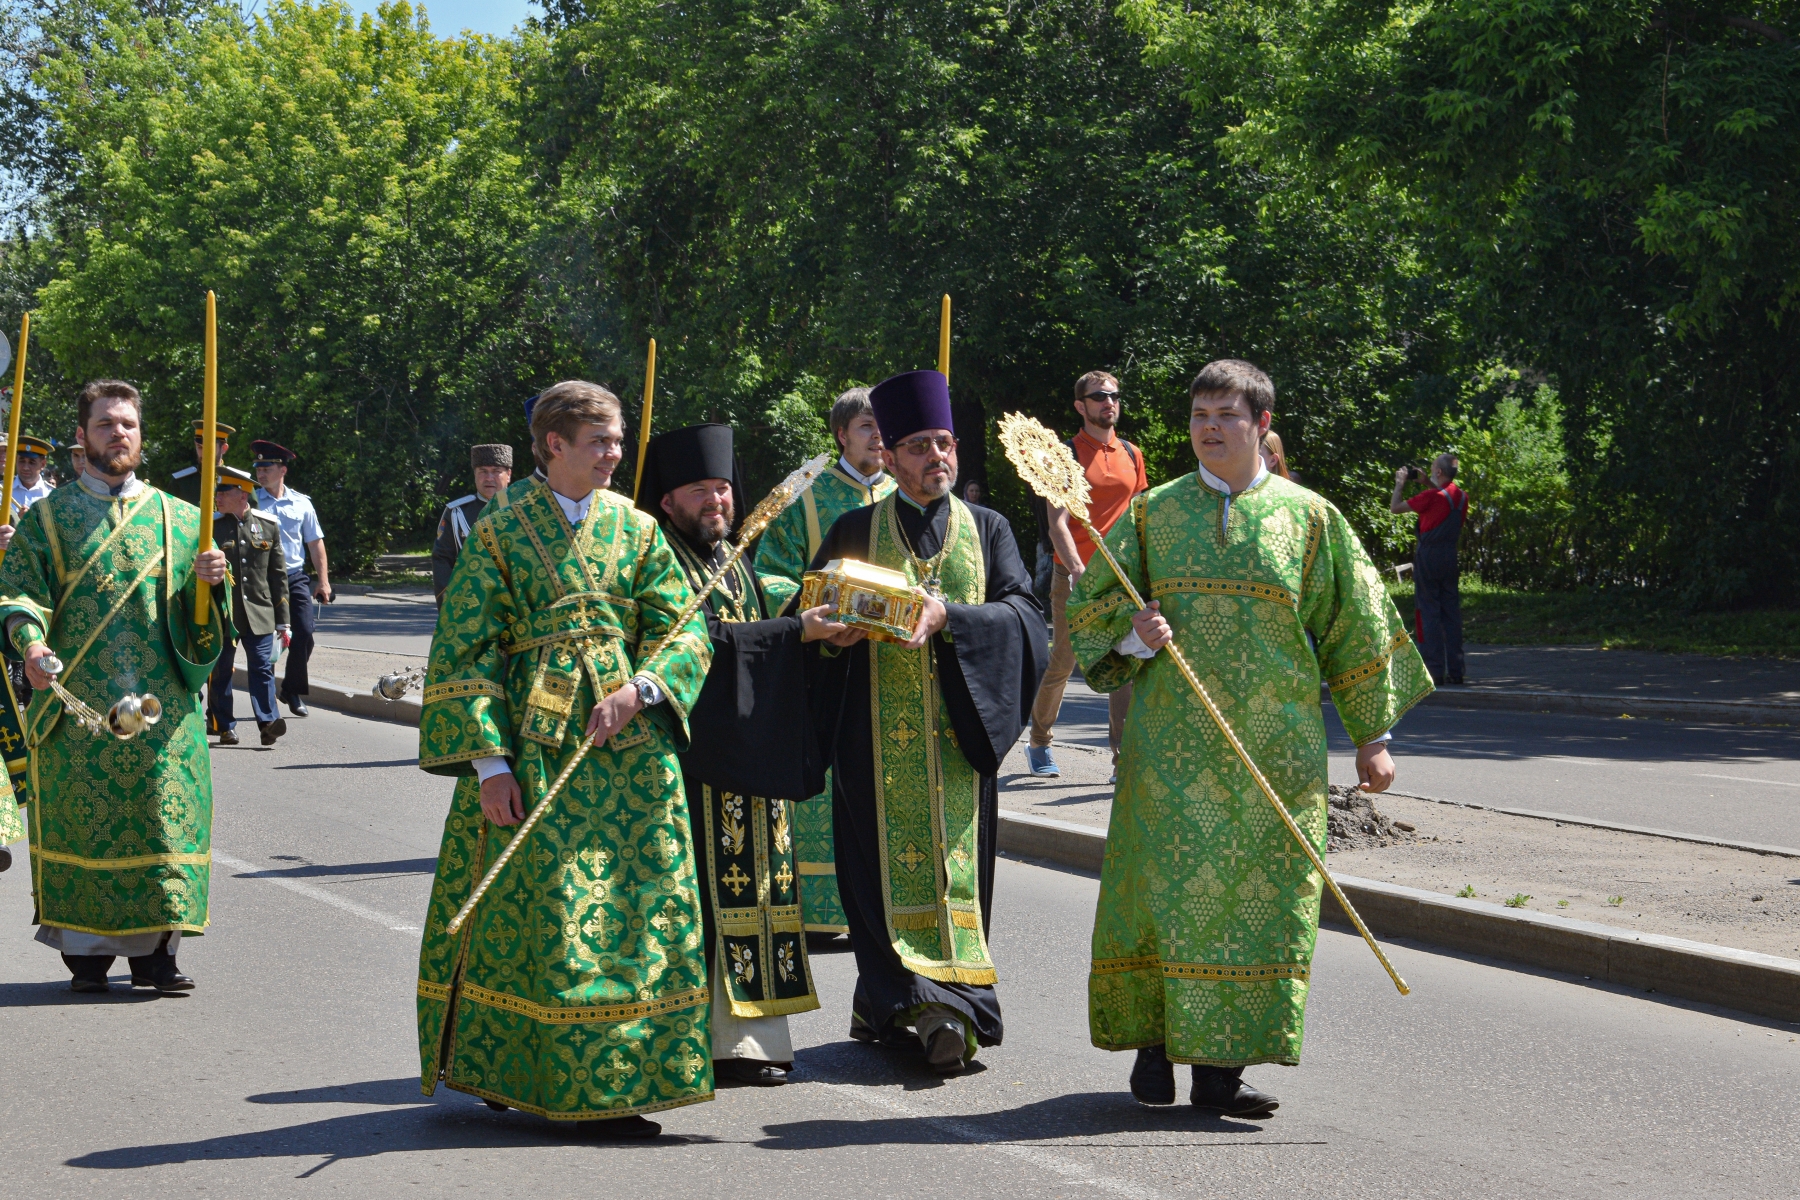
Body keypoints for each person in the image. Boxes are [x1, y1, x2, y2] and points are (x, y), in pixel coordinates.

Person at [1068, 358, 1431, 1116]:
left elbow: (1356, 626)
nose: (1209, 428)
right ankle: (1157, 1047)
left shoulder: (1311, 519)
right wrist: (1135, 638)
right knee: (1164, 898)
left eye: (1226, 415)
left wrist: (1374, 737)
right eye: (1200, 414)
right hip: (1170, 752)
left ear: (1263, 425)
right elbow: (1091, 616)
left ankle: (1221, 1075)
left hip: (1277, 754)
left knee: (1258, 906)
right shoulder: (1151, 514)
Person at [414, 380, 715, 1137]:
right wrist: (491, 766)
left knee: (638, 914)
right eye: (601, 442)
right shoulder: (499, 529)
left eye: (617, 441)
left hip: (634, 755)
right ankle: (522, 1072)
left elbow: (684, 630)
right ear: (555, 445)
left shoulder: (638, 530)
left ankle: (629, 1077)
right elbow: (464, 650)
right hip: (539, 751)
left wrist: (643, 688)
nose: (616, 455)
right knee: (548, 917)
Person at [806, 369, 1048, 1074]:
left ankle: (946, 1007)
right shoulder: (856, 527)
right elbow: (813, 614)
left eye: (944, 443)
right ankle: (896, 1001)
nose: (935, 457)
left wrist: (952, 619)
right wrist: (827, 632)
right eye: (917, 446)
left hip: (960, 736)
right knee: (877, 874)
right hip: (870, 736)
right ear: (888, 454)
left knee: (951, 874)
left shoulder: (989, 528)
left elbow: (1025, 614)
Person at [0, 379, 229, 993]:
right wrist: (33, 646)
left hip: (162, 712)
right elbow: (19, 594)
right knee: (88, 826)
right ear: (82, 436)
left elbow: (201, 629)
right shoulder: (47, 518)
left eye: (127, 423)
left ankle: (160, 954)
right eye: (105, 424)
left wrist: (212, 582)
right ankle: (88, 956)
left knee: (162, 822)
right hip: (80, 710)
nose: (118, 433)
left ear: (141, 435)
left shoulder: (182, 519)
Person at [640, 423, 845, 1087]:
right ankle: (709, 1039)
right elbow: (695, 644)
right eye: (699, 489)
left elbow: (754, 625)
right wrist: (794, 632)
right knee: (709, 900)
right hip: (698, 761)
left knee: (760, 894)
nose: (716, 500)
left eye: (723, 488)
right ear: (667, 500)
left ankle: (757, 1039)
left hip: (750, 757)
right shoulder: (660, 559)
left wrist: (809, 614)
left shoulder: (731, 557)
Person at [754, 386, 895, 937]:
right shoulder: (808, 495)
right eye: (866, 427)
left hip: (892, 662)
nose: (879, 437)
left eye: (884, 427)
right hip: (827, 660)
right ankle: (818, 913)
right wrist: (818, 612)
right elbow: (768, 574)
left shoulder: (902, 493)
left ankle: (879, 906)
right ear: (841, 434)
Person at [1027, 370, 1149, 782]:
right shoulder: (1067, 456)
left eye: (1114, 395)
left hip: (1121, 577)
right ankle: (1040, 742)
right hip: (1075, 576)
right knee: (1064, 660)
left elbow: (1139, 516)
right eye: (1098, 396)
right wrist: (1077, 569)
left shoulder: (1131, 453)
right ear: (1081, 406)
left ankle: (1122, 759)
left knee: (1124, 660)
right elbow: (1056, 523)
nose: (1108, 402)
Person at [208, 465, 290, 747]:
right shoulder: (211, 526)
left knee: (262, 668)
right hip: (223, 614)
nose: (217, 496)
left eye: (223, 491)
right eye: (216, 491)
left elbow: (278, 576)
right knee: (221, 671)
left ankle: (268, 723)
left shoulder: (268, 525)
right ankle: (224, 726)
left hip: (260, 612)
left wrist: (284, 621)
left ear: (242, 495)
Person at [252, 440, 331, 716]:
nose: (261, 473)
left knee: (305, 633)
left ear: (282, 469)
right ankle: (267, 696)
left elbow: (315, 543)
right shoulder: (249, 499)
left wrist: (323, 581)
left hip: (294, 576)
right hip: (259, 577)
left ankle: (291, 689)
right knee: (266, 639)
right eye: (258, 467)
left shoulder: (301, 503)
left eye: (267, 467)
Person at [1391, 454, 1467, 686]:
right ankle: (1456, 670)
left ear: (1440, 473)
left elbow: (1395, 508)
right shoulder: (1461, 496)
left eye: (1433, 468)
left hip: (1429, 556)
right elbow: (1443, 497)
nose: (1430, 471)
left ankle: (1433, 670)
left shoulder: (1430, 497)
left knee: (1428, 611)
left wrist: (1400, 484)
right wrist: (1426, 482)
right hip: (1449, 555)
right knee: (1451, 612)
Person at [431, 444, 514, 606]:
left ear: (508, 474)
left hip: (516, 603)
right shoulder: (456, 513)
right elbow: (442, 559)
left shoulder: (523, 509)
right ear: (475, 474)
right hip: (472, 603)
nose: (489, 478)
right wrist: (450, 603)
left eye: (496, 471)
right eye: (483, 471)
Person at [168, 419, 233, 506]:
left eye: (209, 448)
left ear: (224, 448)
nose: (203, 453)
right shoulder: (180, 483)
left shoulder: (238, 483)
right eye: (199, 447)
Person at [5, 435, 55, 514]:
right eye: (22, 461)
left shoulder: (51, 495)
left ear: (43, 464)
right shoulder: (3, 490)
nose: (25, 467)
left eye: (32, 462)